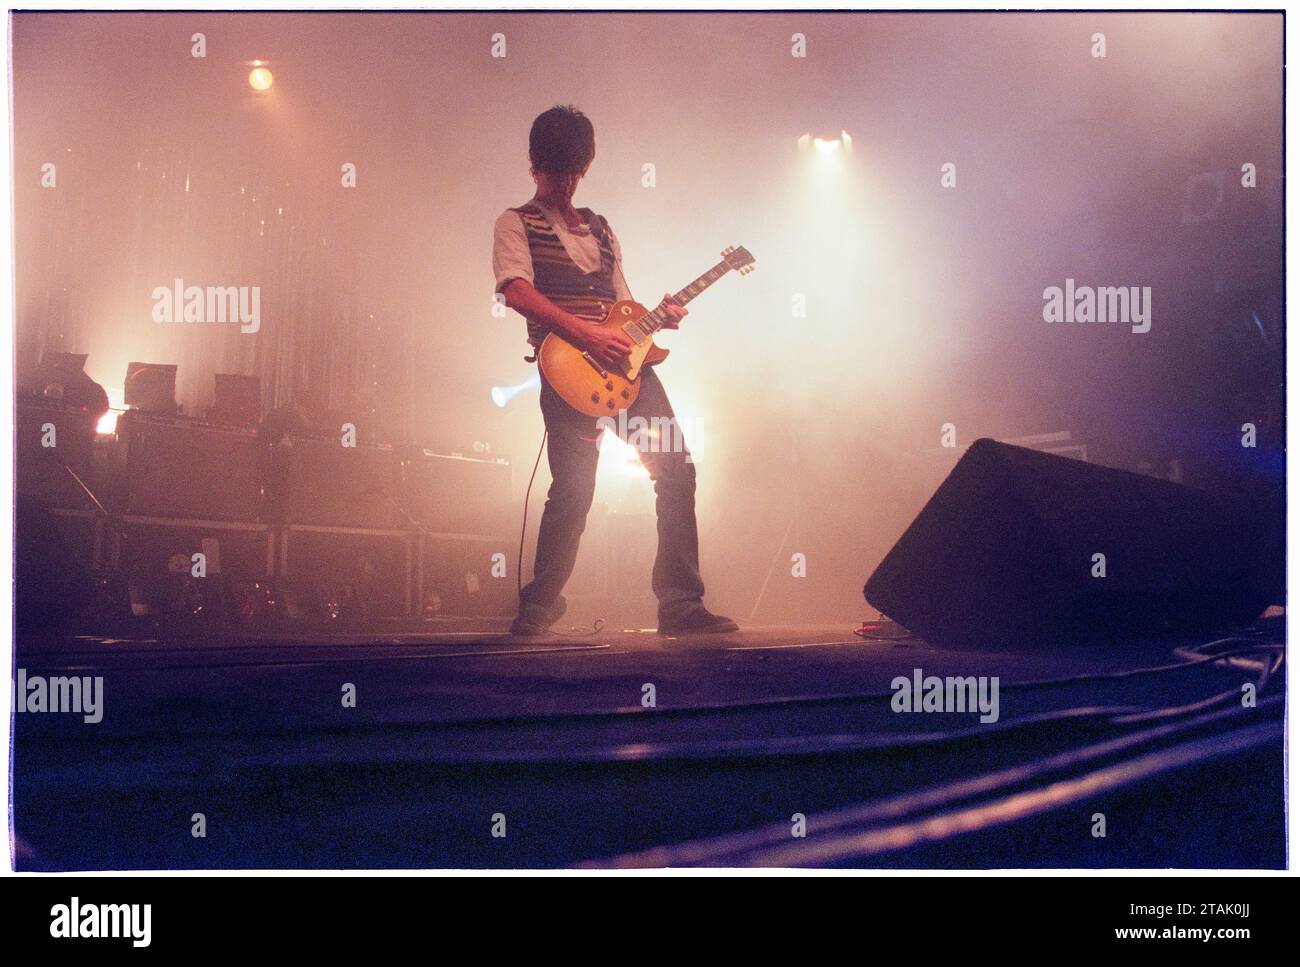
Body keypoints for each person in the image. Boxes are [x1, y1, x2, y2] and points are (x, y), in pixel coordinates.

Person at [492, 105, 738, 637]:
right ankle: (539, 602)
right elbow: (516, 291)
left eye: (574, 171)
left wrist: (658, 323)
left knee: (676, 469)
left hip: (630, 373)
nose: (565, 183)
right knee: (575, 489)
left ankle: (680, 604)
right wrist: (585, 335)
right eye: (555, 172)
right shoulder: (516, 222)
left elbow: (625, 307)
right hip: (567, 374)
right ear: (535, 166)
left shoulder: (602, 230)